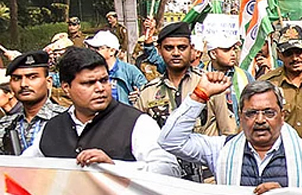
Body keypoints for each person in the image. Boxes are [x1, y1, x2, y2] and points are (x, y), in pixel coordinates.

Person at [21, 48, 180, 176]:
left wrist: (113, 167)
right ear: (66, 88)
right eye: (88, 83)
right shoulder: (53, 127)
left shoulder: (136, 122)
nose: (100, 88)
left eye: (104, 80)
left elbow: (169, 169)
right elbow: (22, 169)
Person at [159, 76, 302, 192]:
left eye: (269, 113)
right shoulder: (222, 150)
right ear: (240, 117)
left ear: (282, 116)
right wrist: (200, 95)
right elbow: (170, 140)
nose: (260, 120)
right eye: (251, 113)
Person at [135, 22, 237, 180]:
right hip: (165, 178)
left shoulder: (209, 84)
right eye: (169, 48)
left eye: (182, 47)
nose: (176, 53)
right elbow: (139, 138)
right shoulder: (148, 93)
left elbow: (229, 134)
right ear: (159, 50)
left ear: (192, 49)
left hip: (207, 178)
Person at [260, 25, 302, 141]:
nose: (295, 58)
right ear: (279, 54)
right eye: (288, 53)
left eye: (299, 52)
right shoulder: (267, 84)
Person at [0, 52, 67, 155]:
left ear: (48, 82)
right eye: (17, 78)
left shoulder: (67, 120)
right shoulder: (6, 124)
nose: (23, 84)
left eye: (32, 77)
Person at [85, 30, 147, 105]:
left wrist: (140, 96)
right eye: (92, 48)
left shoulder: (129, 70)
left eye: (98, 48)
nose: (94, 52)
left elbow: (147, 91)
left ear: (112, 51)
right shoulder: (89, 71)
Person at [205, 33, 253, 120]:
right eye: (227, 50)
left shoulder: (245, 76)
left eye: (234, 49)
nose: (233, 53)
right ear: (213, 54)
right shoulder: (200, 77)